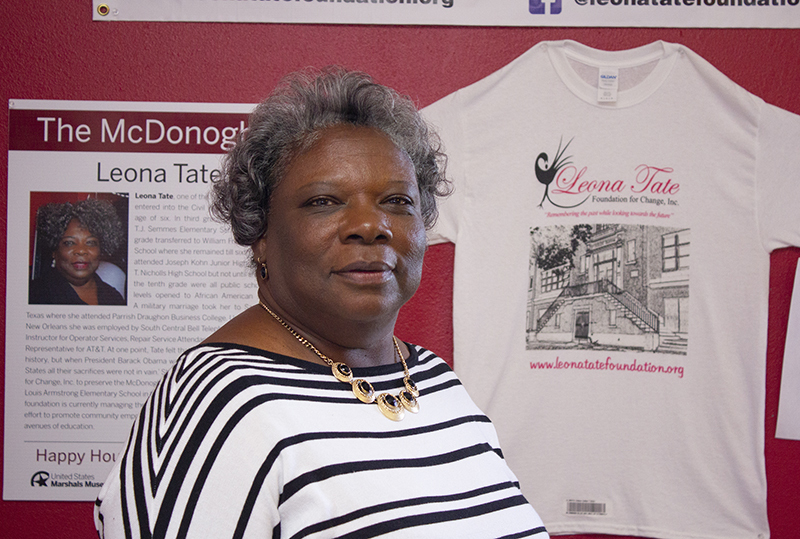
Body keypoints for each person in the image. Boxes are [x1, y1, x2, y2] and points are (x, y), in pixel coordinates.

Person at [95, 68, 549, 538]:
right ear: (260, 234)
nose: (371, 225)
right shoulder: (219, 402)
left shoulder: (436, 381)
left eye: (397, 201)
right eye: (325, 202)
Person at [29, 199, 125, 305]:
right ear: (54, 250)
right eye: (69, 243)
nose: (81, 250)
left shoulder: (114, 297)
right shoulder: (34, 295)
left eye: (90, 242)